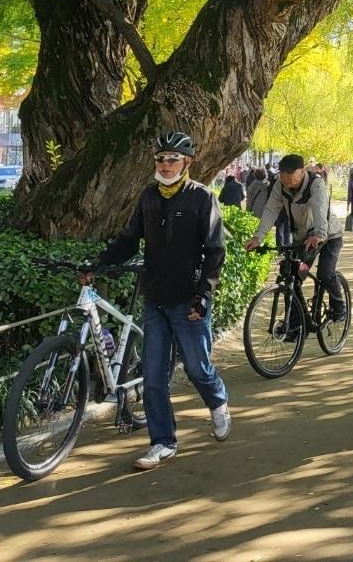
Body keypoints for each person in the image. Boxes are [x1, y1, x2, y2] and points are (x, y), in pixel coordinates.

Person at [96, 131, 230, 470]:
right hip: (154, 298)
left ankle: (218, 401)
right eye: (160, 159)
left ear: (187, 162)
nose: (165, 165)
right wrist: (99, 264)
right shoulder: (148, 197)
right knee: (154, 377)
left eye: (173, 159)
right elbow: (129, 240)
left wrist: (204, 293)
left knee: (198, 369)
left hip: (189, 300)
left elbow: (215, 251)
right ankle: (162, 442)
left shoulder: (201, 198)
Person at [245, 154, 345, 319]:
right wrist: (258, 238)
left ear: (302, 171)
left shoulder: (315, 183)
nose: (285, 178)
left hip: (329, 235)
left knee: (325, 274)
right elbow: (271, 209)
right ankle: (295, 323)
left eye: (290, 174)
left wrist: (319, 234)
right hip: (303, 238)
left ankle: (339, 306)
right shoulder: (280, 185)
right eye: (282, 174)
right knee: (293, 276)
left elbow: (320, 208)